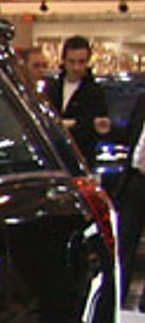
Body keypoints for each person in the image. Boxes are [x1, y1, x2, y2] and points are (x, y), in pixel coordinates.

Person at [46, 35, 110, 164]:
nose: (76, 67)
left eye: (81, 62)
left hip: (82, 157)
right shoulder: (52, 88)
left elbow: (92, 127)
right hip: (55, 156)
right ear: (63, 60)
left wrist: (67, 124)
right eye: (72, 61)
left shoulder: (95, 92)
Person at [115, 108, 145, 303]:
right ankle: (117, 295)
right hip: (135, 180)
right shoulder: (143, 100)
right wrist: (108, 130)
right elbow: (129, 135)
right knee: (124, 241)